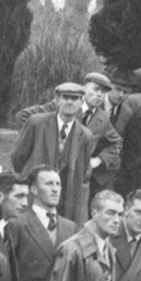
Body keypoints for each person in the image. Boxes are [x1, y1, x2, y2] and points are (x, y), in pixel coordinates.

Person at [12, 82, 97, 222]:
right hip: (35, 195)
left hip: (65, 201)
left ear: (81, 102)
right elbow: (18, 158)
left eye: (74, 98)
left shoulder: (85, 135)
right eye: (65, 97)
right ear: (57, 100)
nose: (70, 102)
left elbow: (82, 172)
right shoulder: (36, 123)